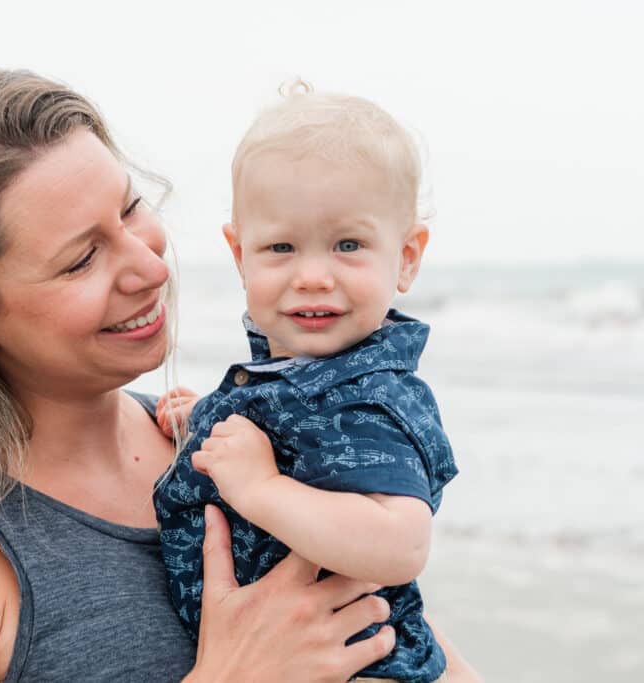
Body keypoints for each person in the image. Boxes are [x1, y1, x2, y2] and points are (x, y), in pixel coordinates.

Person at [0, 67, 478, 682]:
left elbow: (407, 640)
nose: (150, 267)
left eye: (131, 209)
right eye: (81, 259)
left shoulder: (226, 438)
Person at [154, 85, 458, 682]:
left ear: (407, 257)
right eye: (281, 247)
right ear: (240, 255)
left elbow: (401, 545)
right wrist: (211, 419)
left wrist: (261, 487)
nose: (313, 276)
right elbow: (299, 442)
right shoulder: (297, 378)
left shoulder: (370, 398)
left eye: (348, 245)